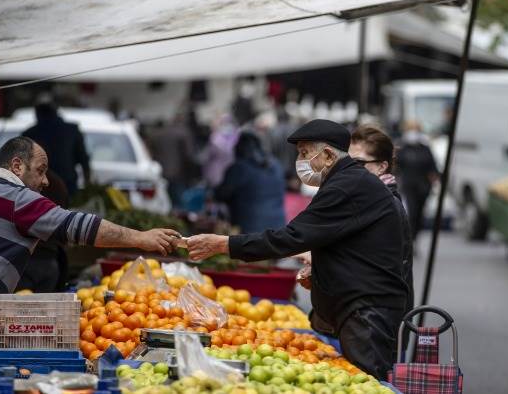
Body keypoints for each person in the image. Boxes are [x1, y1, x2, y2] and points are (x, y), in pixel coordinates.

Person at [0, 137, 181, 393]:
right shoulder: (18, 198)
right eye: (40, 170)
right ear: (17, 166)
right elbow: (80, 227)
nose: (46, 181)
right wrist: (141, 238)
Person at [187, 119, 409, 380]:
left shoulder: (347, 185)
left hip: (367, 312)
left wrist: (224, 244)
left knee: (365, 383)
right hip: (362, 307)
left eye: (305, 153)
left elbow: (292, 237)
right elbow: (345, 245)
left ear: (327, 155)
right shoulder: (346, 181)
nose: (301, 161)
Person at [350, 124, 414, 312]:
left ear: (381, 166)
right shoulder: (367, 197)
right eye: (346, 163)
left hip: (376, 316)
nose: (349, 170)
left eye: (359, 163)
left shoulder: (381, 203)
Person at [215, 131, 286, 234]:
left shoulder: (239, 168)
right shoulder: (276, 165)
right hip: (278, 227)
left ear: (238, 148)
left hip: (249, 229)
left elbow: (221, 194)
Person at [22, 96, 91, 194]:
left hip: (39, 191)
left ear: (37, 114)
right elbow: (84, 161)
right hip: (68, 188)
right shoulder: (71, 130)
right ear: (56, 112)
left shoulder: (29, 134)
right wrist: (88, 187)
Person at [16, 170, 70, 292]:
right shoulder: (58, 184)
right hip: (49, 260)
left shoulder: (21, 183)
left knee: (19, 307)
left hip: (26, 261)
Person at [396, 121, 439, 241]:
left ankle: (415, 237)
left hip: (424, 186)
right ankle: (409, 239)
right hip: (409, 185)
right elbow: (397, 166)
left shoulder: (425, 148)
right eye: (411, 129)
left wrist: (435, 177)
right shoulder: (402, 147)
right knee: (412, 212)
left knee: (420, 214)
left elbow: (432, 165)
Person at [147, 117, 199, 208]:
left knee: (161, 201)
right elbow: (189, 155)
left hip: (159, 171)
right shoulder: (183, 133)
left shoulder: (157, 134)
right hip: (177, 173)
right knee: (178, 201)